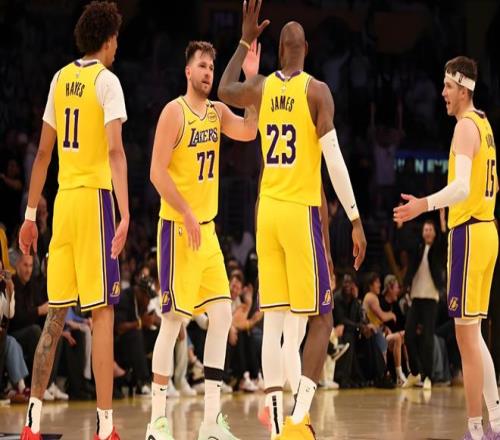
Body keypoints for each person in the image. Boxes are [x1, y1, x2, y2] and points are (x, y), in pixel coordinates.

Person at [218, 2, 366, 437]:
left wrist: (244, 40)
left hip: (267, 211)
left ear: (280, 51)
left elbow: (224, 88)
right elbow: (334, 160)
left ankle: (277, 427)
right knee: (322, 318)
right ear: (307, 49)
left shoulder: (261, 87)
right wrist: (355, 218)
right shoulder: (317, 91)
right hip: (300, 211)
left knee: (276, 322)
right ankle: (300, 421)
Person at [18, 2, 129, 439]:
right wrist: (124, 212)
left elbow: (43, 154)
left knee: (55, 317)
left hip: (62, 204)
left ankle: (31, 424)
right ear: (107, 39)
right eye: (116, 39)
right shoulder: (107, 81)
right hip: (95, 202)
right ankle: (105, 429)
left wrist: (30, 215)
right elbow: (116, 151)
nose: (117, 47)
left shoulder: (60, 78)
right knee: (102, 316)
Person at [146, 40, 258, 440]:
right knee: (172, 321)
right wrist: (186, 210)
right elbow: (156, 172)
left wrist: (250, 81)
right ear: (188, 71)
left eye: (212, 66)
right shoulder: (173, 112)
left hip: (206, 231)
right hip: (178, 228)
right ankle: (157, 421)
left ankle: (211, 420)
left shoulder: (217, 112)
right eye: (203, 66)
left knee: (223, 315)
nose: (209, 72)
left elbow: (249, 130)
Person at [394, 56, 500, 440]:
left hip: (470, 235)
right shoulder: (484, 124)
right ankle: (495, 422)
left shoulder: (465, 128)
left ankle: (475, 428)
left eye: (448, 87)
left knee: (466, 339)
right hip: (485, 231)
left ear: (464, 89)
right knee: (474, 335)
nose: (442, 93)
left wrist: (423, 204)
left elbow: (462, 188)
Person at [403, 219, 446, 390]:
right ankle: (415, 373)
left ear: (434, 233)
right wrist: (401, 225)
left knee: (428, 339)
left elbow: (445, 241)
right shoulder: (418, 248)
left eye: (430, 230)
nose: (427, 232)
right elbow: (405, 243)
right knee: (408, 335)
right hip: (416, 297)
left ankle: (428, 376)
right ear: (422, 233)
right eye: (425, 229)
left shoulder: (438, 250)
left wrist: (442, 222)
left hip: (431, 298)